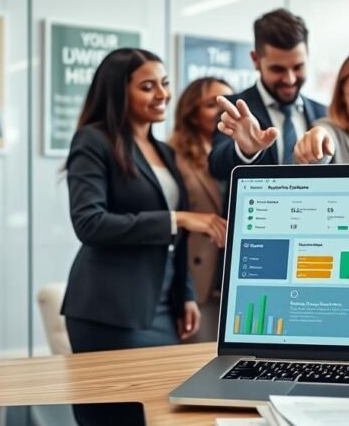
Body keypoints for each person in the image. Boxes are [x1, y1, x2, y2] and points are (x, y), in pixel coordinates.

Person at [61, 48, 227, 353]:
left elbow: (176, 240)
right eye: (147, 87)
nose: (162, 94)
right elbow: (89, 223)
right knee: (118, 403)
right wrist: (177, 219)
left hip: (163, 305)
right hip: (110, 309)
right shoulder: (93, 140)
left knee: (165, 400)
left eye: (164, 83)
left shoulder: (165, 152)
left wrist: (186, 294)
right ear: (118, 93)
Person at [208, 8, 327, 180]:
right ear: (255, 60)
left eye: (298, 67)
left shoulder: (323, 113)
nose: (290, 79)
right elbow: (216, 166)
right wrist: (245, 151)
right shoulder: (235, 109)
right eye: (277, 69)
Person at [168, 76, 234, 342]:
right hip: (198, 282)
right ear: (191, 114)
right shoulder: (173, 157)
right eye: (212, 104)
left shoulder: (238, 154)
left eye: (229, 102)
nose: (223, 110)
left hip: (232, 280)